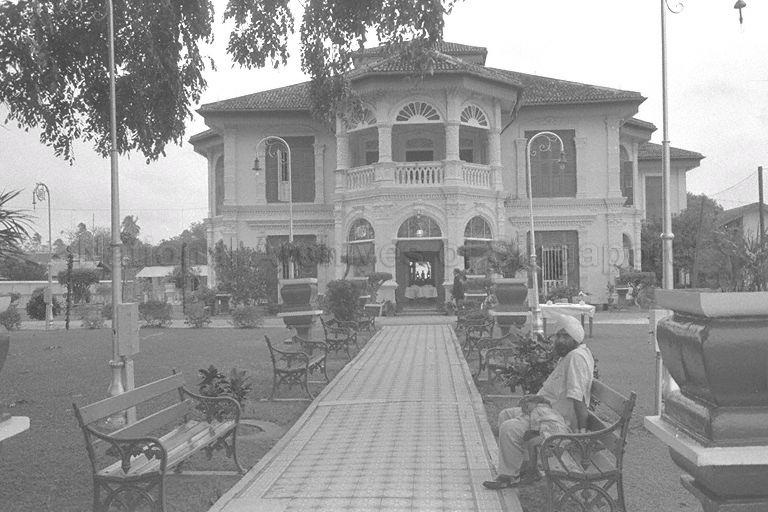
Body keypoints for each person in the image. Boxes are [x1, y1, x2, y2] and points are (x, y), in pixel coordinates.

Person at [482, 314, 595, 489]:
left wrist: (581, 432)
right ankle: (526, 468)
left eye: (566, 336)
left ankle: (509, 476)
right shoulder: (571, 355)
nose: (560, 340)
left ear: (576, 338)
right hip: (543, 412)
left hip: (555, 421)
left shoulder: (576, 358)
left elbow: (578, 397)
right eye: (558, 335)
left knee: (509, 427)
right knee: (506, 415)